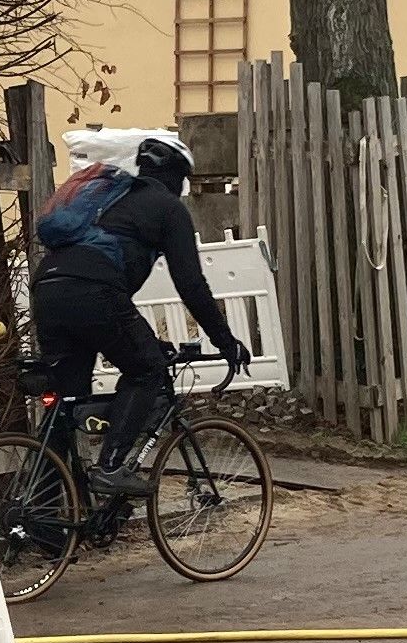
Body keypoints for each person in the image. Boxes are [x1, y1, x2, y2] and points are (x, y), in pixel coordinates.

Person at [32, 133, 246, 499]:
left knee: (65, 404)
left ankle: (46, 519)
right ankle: (111, 466)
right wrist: (226, 341)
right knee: (148, 371)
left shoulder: (113, 199)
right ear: (178, 177)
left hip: (47, 289)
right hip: (94, 292)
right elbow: (191, 285)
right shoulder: (168, 209)